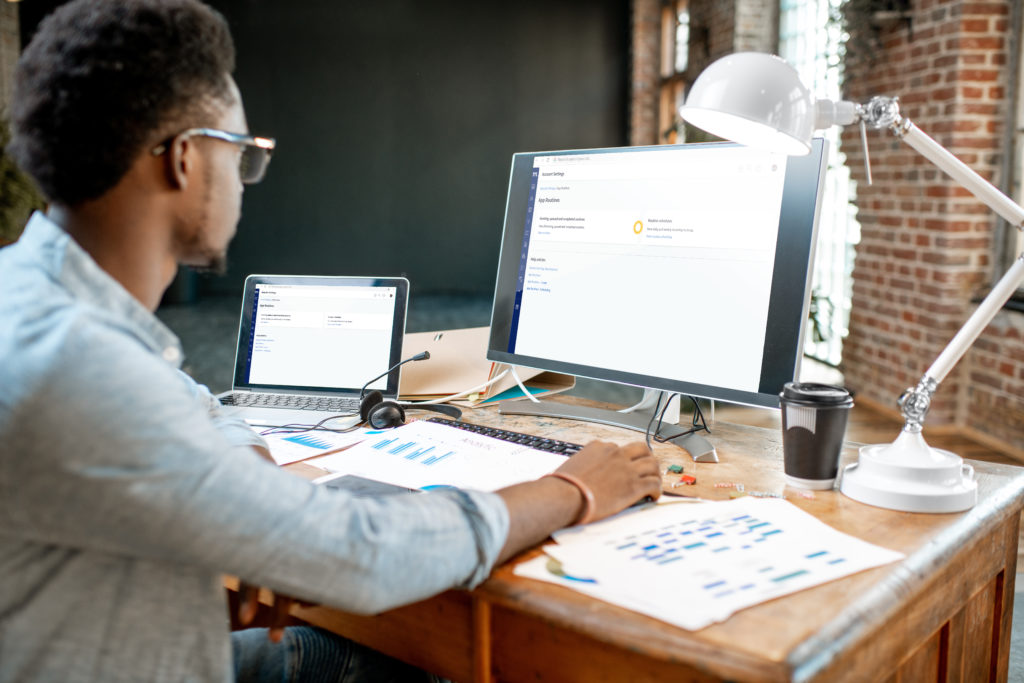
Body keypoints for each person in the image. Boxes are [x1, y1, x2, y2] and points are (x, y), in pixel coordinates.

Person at [0, 1, 663, 681]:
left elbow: (193, 401)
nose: (244, 181)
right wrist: (571, 489)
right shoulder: (84, 366)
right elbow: (359, 554)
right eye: (243, 155)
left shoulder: (33, 299)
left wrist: (253, 492)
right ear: (185, 159)